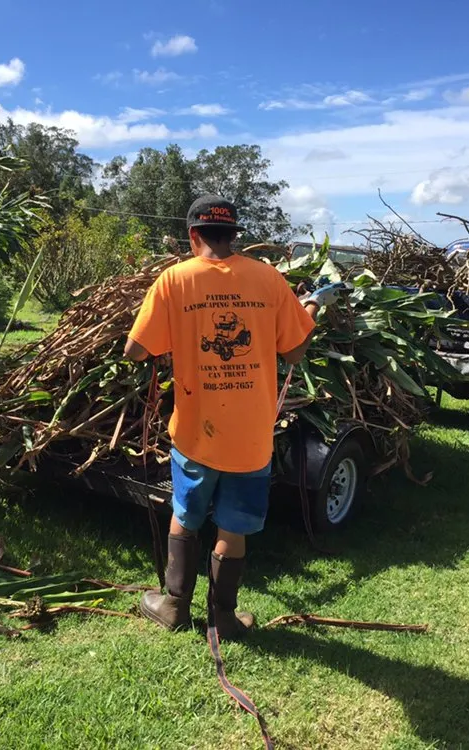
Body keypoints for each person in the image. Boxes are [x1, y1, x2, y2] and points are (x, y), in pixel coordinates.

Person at [123, 195, 344, 640]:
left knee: (185, 515)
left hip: (194, 431)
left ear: (193, 235)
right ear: (234, 236)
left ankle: (173, 606)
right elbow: (296, 349)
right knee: (234, 524)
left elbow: (135, 350)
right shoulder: (267, 280)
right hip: (250, 434)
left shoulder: (174, 280)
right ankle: (223, 617)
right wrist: (315, 305)